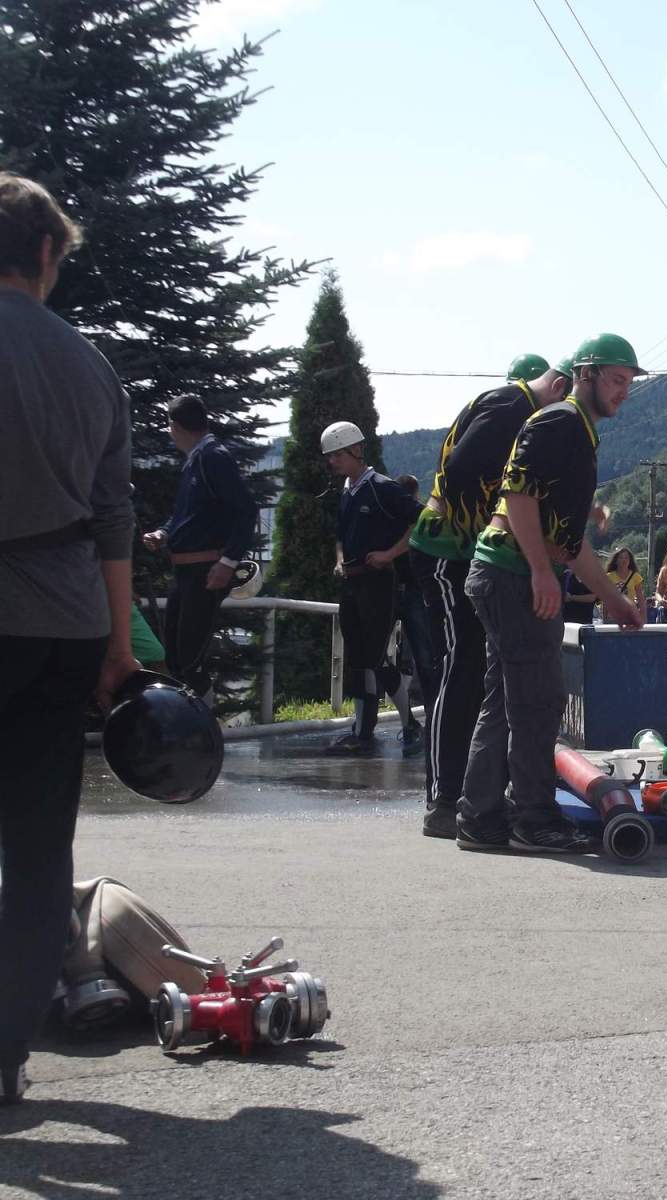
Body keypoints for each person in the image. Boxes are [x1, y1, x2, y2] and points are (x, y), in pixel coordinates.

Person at [0, 172, 137, 1104]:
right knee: (40, 847)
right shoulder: (91, 367)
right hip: (66, 626)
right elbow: (113, 519)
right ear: (46, 252)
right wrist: (118, 647)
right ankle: (4, 1053)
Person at [458, 333, 644, 853]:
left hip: (507, 573)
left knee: (506, 702)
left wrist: (611, 597)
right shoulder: (559, 421)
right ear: (585, 375)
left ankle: (480, 817)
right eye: (616, 379)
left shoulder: (577, 429)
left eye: (628, 382)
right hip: (512, 576)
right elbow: (517, 495)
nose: (623, 391)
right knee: (537, 703)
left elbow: (570, 540)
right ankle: (533, 818)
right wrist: (541, 572)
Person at [408, 358, 571, 837]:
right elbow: (461, 470)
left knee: (488, 676)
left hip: (471, 552)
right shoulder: (511, 406)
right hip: (448, 550)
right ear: (558, 387)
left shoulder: (514, 407)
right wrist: (501, 518)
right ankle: (443, 797)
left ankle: (476, 794)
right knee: (459, 669)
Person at [140, 396, 258, 699]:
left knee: (190, 658)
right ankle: (191, 720)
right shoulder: (196, 459)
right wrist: (163, 533)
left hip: (203, 570)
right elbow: (187, 515)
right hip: (185, 571)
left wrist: (228, 562)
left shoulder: (213, 457)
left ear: (176, 426)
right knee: (176, 656)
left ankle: (203, 724)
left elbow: (246, 510)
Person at [322, 421, 422, 755]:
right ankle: (368, 728)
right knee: (358, 656)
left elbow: (421, 520)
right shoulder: (347, 491)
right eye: (330, 456)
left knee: (375, 657)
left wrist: (390, 554)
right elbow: (340, 535)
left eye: (337, 454)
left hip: (378, 582)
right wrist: (340, 560)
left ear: (356, 450)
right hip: (351, 582)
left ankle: (399, 726)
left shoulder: (382, 487)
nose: (332, 461)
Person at [390, 473, 434, 757]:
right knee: (425, 659)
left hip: (394, 589)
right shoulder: (420, 518)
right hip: (417, 592)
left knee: (397, 659)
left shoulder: (390, 517)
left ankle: (412, 722)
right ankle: (432, 720)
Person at [605, 547, 645, 613]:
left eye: (626, 558)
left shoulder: (636, 576)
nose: (624, 560)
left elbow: (640, 598)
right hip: (613, 613)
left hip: (630, 613)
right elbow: (606, 598)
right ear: (616, 561)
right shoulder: (609, 577)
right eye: (621, 558)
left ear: (630, 561)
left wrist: (643, 614)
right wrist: (605, 616)